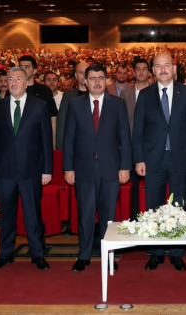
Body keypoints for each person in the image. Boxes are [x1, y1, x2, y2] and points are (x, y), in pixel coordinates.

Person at [132, 52, 186, 271]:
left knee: (179, 206)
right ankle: (156, 252)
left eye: (166, 65)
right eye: (158, 66)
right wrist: (139, 160)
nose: (162, 69)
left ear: (174, 68)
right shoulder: (144, 95)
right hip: (153, 160)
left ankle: (177, 253)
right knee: (153, 206)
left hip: (180, 158)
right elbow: (138, 132)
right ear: (153, 70)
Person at [63, 65, 131, 272]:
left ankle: (108, 255)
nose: (97, 82)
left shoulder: (118, 104)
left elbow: (124, 138)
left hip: (110, 169)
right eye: (92, 78)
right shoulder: (75, 104)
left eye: (101, 78)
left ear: (106, 80)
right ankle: (83, 256)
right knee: (85, 215)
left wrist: (125, 166)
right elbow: (69, 139)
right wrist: (68, 168)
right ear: (85, 81)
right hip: (83, 169)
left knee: (108, 216)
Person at [0, 67, 53, 271]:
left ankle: (37, 254)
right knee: (6, 215)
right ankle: (5, 254)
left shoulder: (40, 106)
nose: (13, 82)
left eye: (18, 79)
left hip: (31, 171)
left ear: (26, 82)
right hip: (3, 172)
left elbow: (46, 141)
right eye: (10, 79)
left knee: (33, 214)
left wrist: (47, 170)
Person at [121, 58, 151, 217]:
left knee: (151, 184)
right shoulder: (125, 93)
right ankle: (134, 217)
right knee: (132, 184)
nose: (141, 72)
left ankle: (151, 216)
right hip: (131, 144)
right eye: (138, 69)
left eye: (144, 69)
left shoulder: (156, 91)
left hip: (152, 145)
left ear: (149, 72)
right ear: (133, 72)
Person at [18, 56, 58, 145]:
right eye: (21, 67)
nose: (23, 70)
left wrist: (53, 142)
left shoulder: (44, 90)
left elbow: (53, 117)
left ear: (35, 71)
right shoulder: (13, 90)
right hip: (18, 138)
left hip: (40, 138)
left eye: (27, 67)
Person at [55, 62, 89, 150]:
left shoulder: (100, 95)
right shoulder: (68, 96)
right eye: (81, 72)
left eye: (86, 72)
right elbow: (61, 123)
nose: (84, 75)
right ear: (76, 75)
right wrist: (60, 148)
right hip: (74, 146)